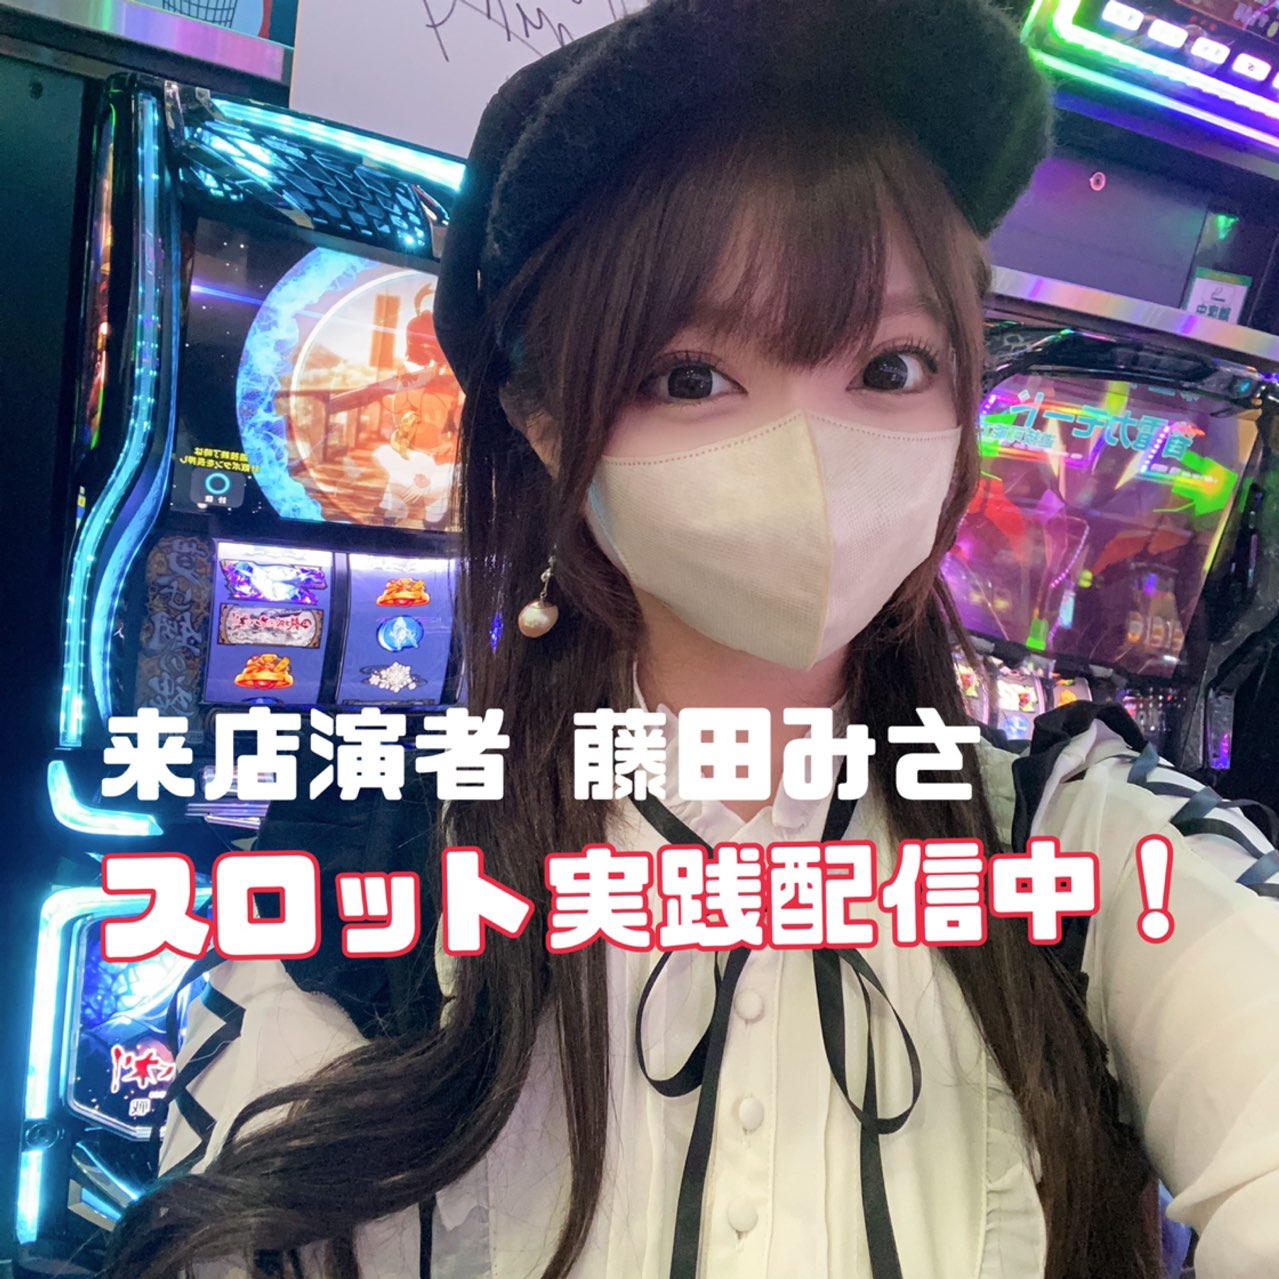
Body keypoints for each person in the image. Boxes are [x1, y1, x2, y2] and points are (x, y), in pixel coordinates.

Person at [105, 2, 1279, 1277]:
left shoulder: (1084, 843)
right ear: (546, 421)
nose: (810, 452)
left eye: (890, 367)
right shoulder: (376, 871)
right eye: (689, 376)